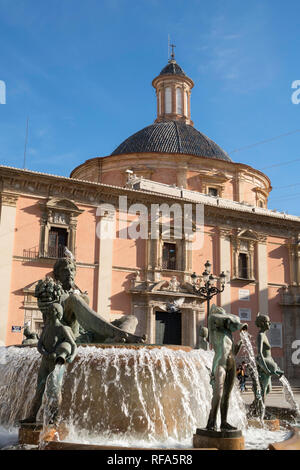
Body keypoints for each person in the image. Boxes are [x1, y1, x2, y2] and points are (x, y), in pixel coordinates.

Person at [206, 305, 248, 431]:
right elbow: (228, 318)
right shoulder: (212, 324)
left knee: (226, 395)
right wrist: (237, 323)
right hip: (220, 363)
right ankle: (211, 421)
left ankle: (224, 422)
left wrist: (240, 344)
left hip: (231, 363)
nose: (224, 316)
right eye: (222, 314)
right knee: (218, 393)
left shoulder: (228, 333)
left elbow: (233, 351)